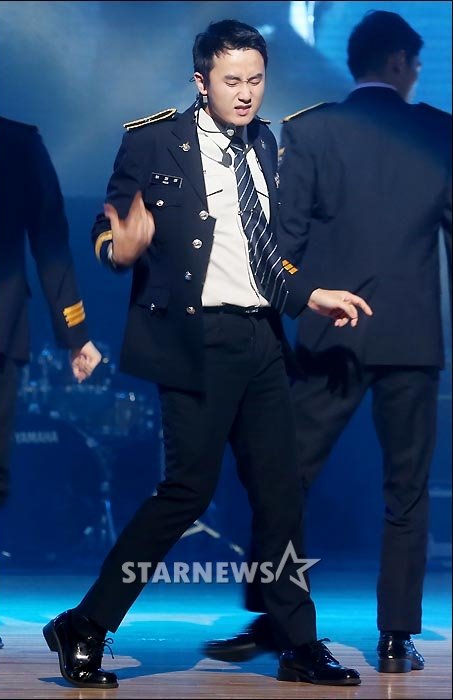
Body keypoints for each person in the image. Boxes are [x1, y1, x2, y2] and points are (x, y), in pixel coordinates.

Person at [42, 19, 372, 689]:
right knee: (185, 492)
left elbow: (264, 255)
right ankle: (87, 623)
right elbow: (107, 230)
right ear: (201, 82)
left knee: (280, 492)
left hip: (261, 340)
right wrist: (119, 248)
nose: (246, 94)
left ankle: (297, 640)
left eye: (255, 80)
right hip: (193, 343)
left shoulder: (267, 144)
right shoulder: (152, 140)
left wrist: (308, 294)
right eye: (231, 81)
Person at [204, 10, 451, 674]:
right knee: (406, 491)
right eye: (416, 63)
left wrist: (299, 307)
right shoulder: (439, 132)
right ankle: (395, 639)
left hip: (326, 334)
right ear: (398, 63)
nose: (416, 73)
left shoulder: (309, 131)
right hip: (411, 339)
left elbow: (282, 246)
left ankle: (276, 617)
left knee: (285, 480)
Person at [0, 113, 102, 649]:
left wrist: (75, 332)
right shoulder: (18, 143)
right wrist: (74, 334)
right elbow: (51, 239)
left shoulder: (16, 144)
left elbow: (50, 237)